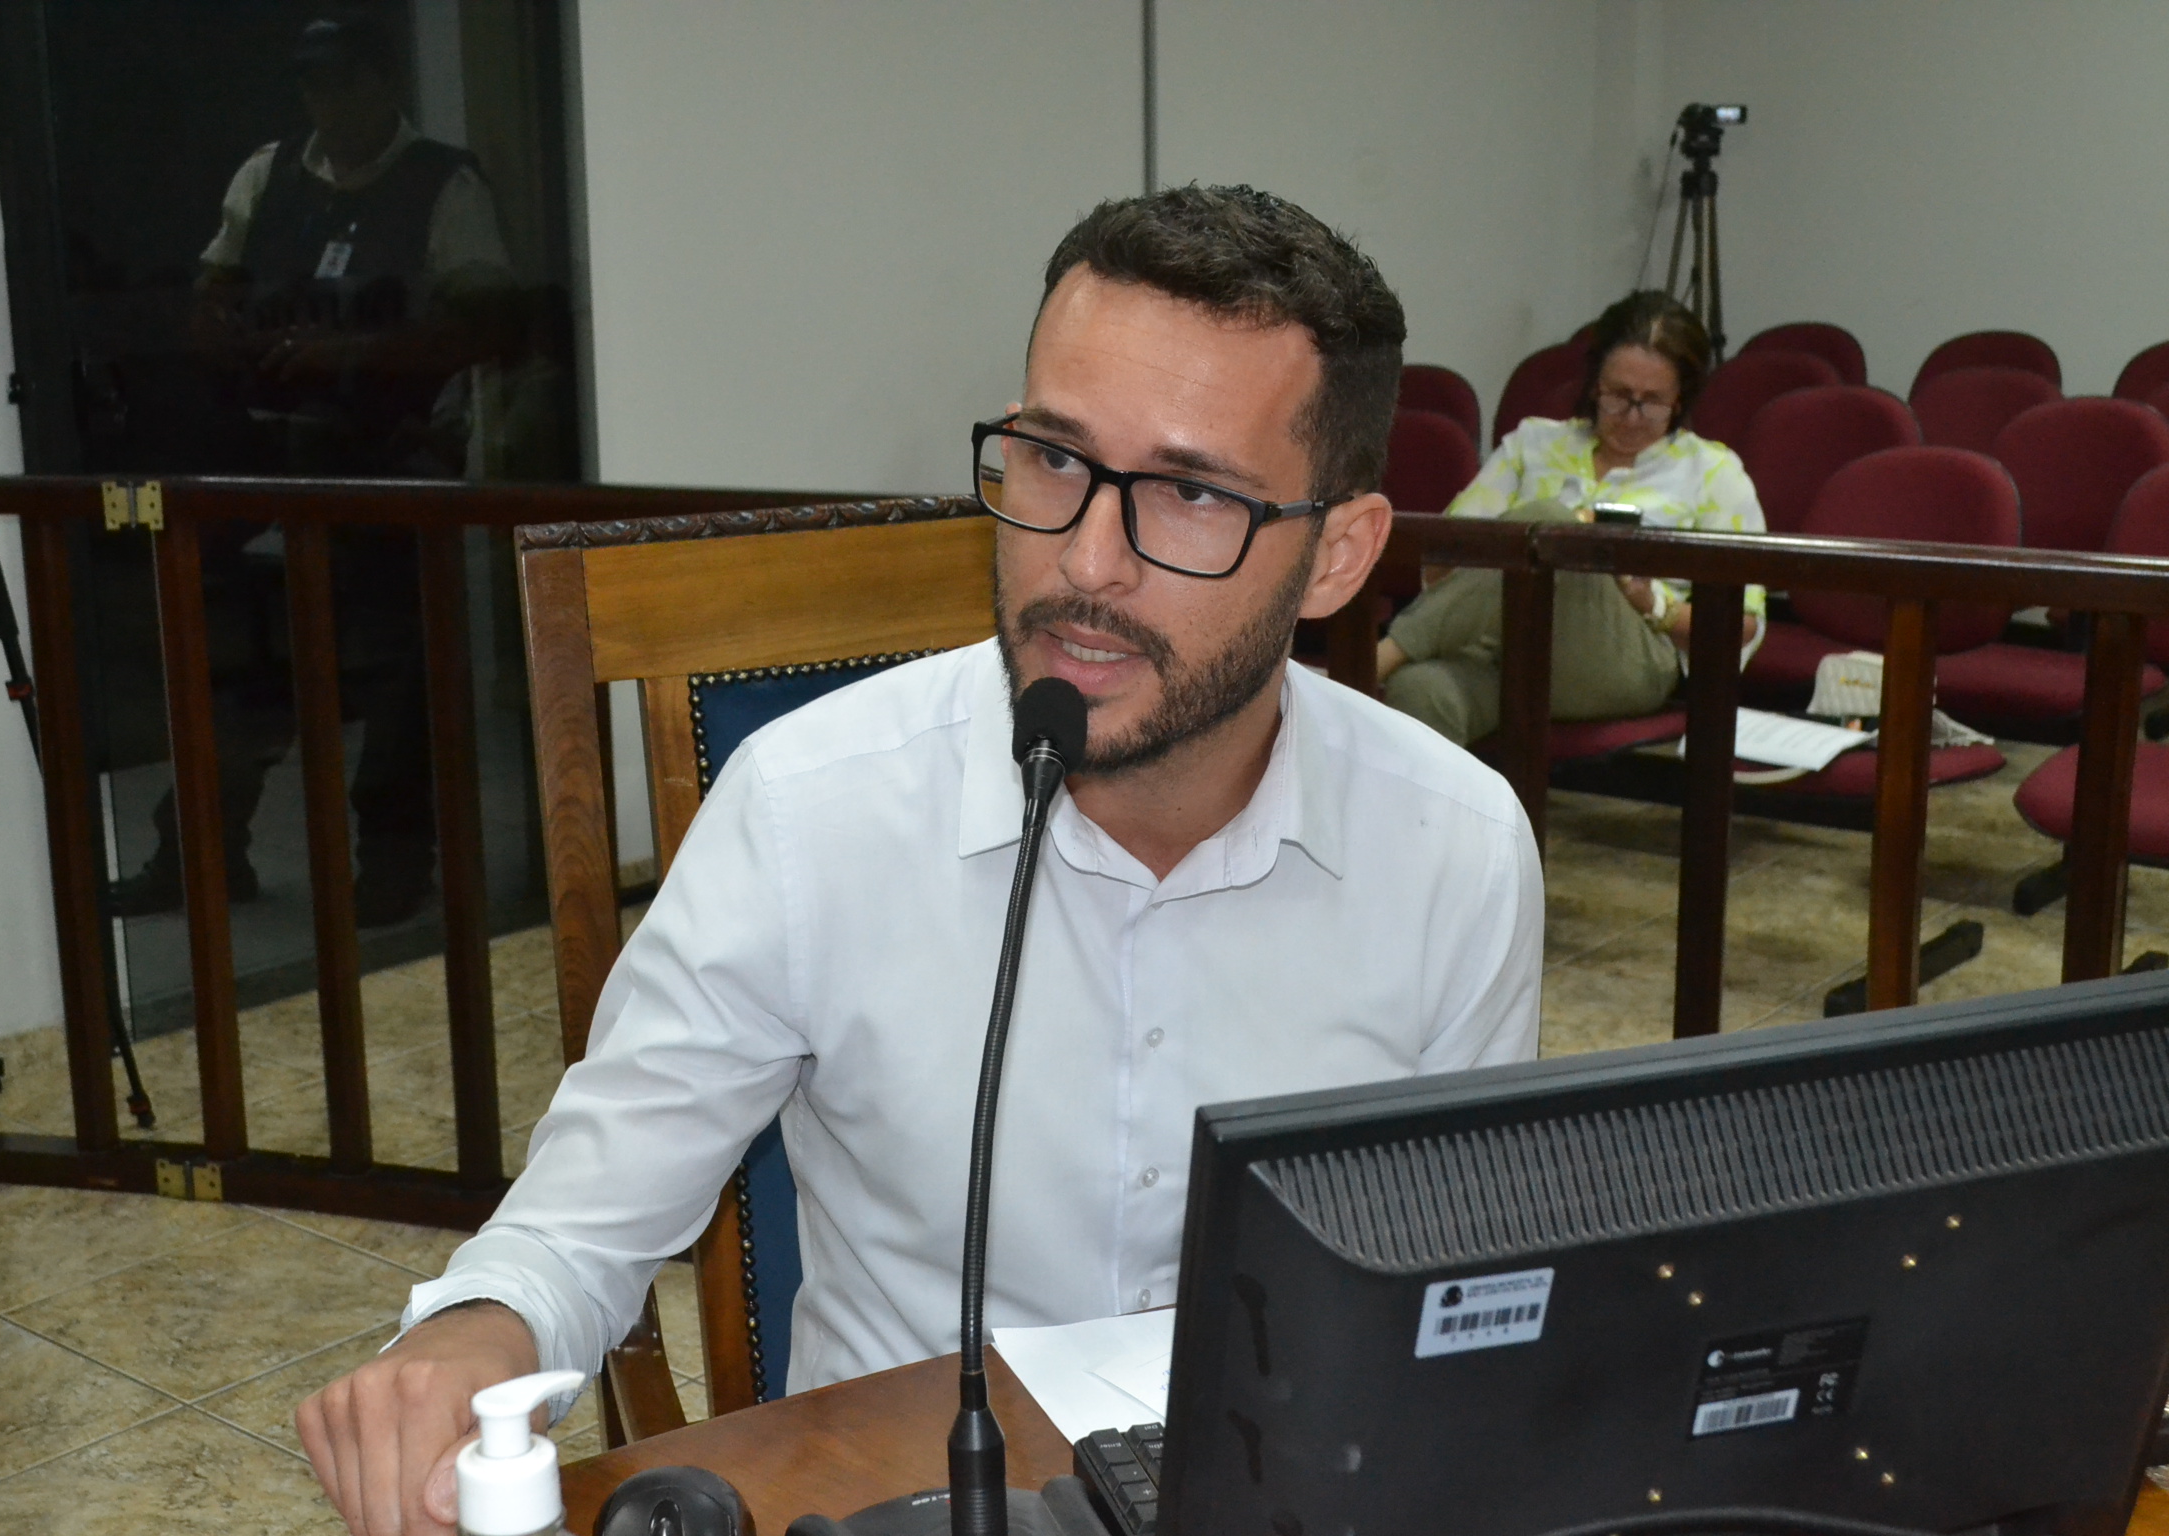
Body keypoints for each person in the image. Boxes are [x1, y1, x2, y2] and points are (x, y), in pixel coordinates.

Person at [296, 185, 1545, 1536]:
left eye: (1190, 493)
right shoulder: (810, 809)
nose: (1086, 562)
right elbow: (580, 1223)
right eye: (1054, 459)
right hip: (897, 1502)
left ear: (1339, 554)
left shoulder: (1454, 849)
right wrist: (472, 1335)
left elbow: (1463, 1303)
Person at [110, 13, 516, 926]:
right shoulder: (269, 173)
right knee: (244, 669)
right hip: (267, 461)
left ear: (382, 83)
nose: (325, 103)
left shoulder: (443, 183)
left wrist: (355, 355)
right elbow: (209, 296)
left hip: (390, 464)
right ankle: (199, 853)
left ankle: (396, 862)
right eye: (311, 84)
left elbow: (490, 324)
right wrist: (233, 337)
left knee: (400, 679)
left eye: (342, 82)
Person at [1377, 290, 1766, 745]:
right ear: (1595, 385)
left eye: (1652, 402)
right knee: (1421, 691)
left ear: (1680, 400)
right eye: (1618, 396)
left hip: (1624, 660)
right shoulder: (1533, 444)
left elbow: (1741, 627)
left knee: (1550, 527)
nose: (1632, 417)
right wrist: (1494, 562)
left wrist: (1650, 601)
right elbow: (1442, 558)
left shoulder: (1714, 472)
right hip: (1502, 647)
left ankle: (1375, 659)